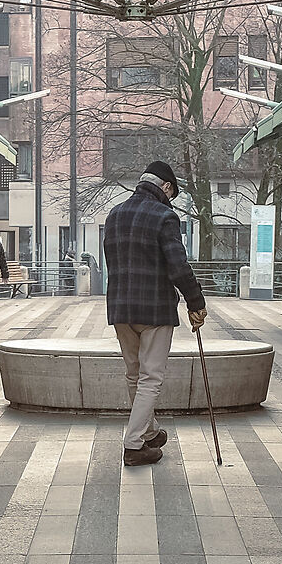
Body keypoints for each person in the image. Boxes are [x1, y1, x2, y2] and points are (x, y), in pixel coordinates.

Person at [103, 159, 206, 466]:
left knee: (134, 374)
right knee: (151, 378)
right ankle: (134, 445)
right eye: (171, 194)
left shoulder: (114, 214)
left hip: (121, 307)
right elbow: (178, 265)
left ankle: (149, 431)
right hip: (155, 308)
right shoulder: (164, 215)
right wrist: (195, 301)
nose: (170, 200)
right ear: (165, 187)